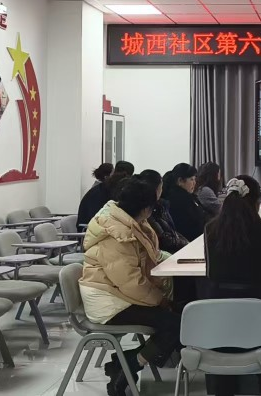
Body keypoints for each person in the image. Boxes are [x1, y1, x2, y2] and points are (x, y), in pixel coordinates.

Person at [79, 178, 180, 395]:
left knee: (177, 315)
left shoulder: (128, 222)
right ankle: (130, 365)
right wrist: (160, 300)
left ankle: (123, 361)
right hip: (109, 303)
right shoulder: (118, 235)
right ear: (145, 209)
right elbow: (131, 283)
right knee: (175, 323)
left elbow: (147, 259)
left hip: (117, 294)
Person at [204, 175, 261, 396]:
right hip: (259, 320)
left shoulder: (210, 230)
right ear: (257, 202)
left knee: (223, 356)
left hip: (217, 321)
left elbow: (211, 270)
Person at [137, 169, 189, 254]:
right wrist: (186, 244)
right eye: (161, 187)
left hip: (174, 247)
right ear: (156, 189)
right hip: (165, 252)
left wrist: (186, 243)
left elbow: (172, 231)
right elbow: (163, 239)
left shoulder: (161, 205)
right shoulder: (147, 210)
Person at [77, 161, 134, 229]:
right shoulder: (99, 193)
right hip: (89, 229)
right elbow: (97, 219)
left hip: (100, 227)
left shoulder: (105, 188)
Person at [165, 163, 209, 241]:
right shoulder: (180, 199)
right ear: (180, 181)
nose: (194, 183)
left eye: (195, 179)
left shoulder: (187, 196)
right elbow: (193, 224)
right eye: (191, 179)